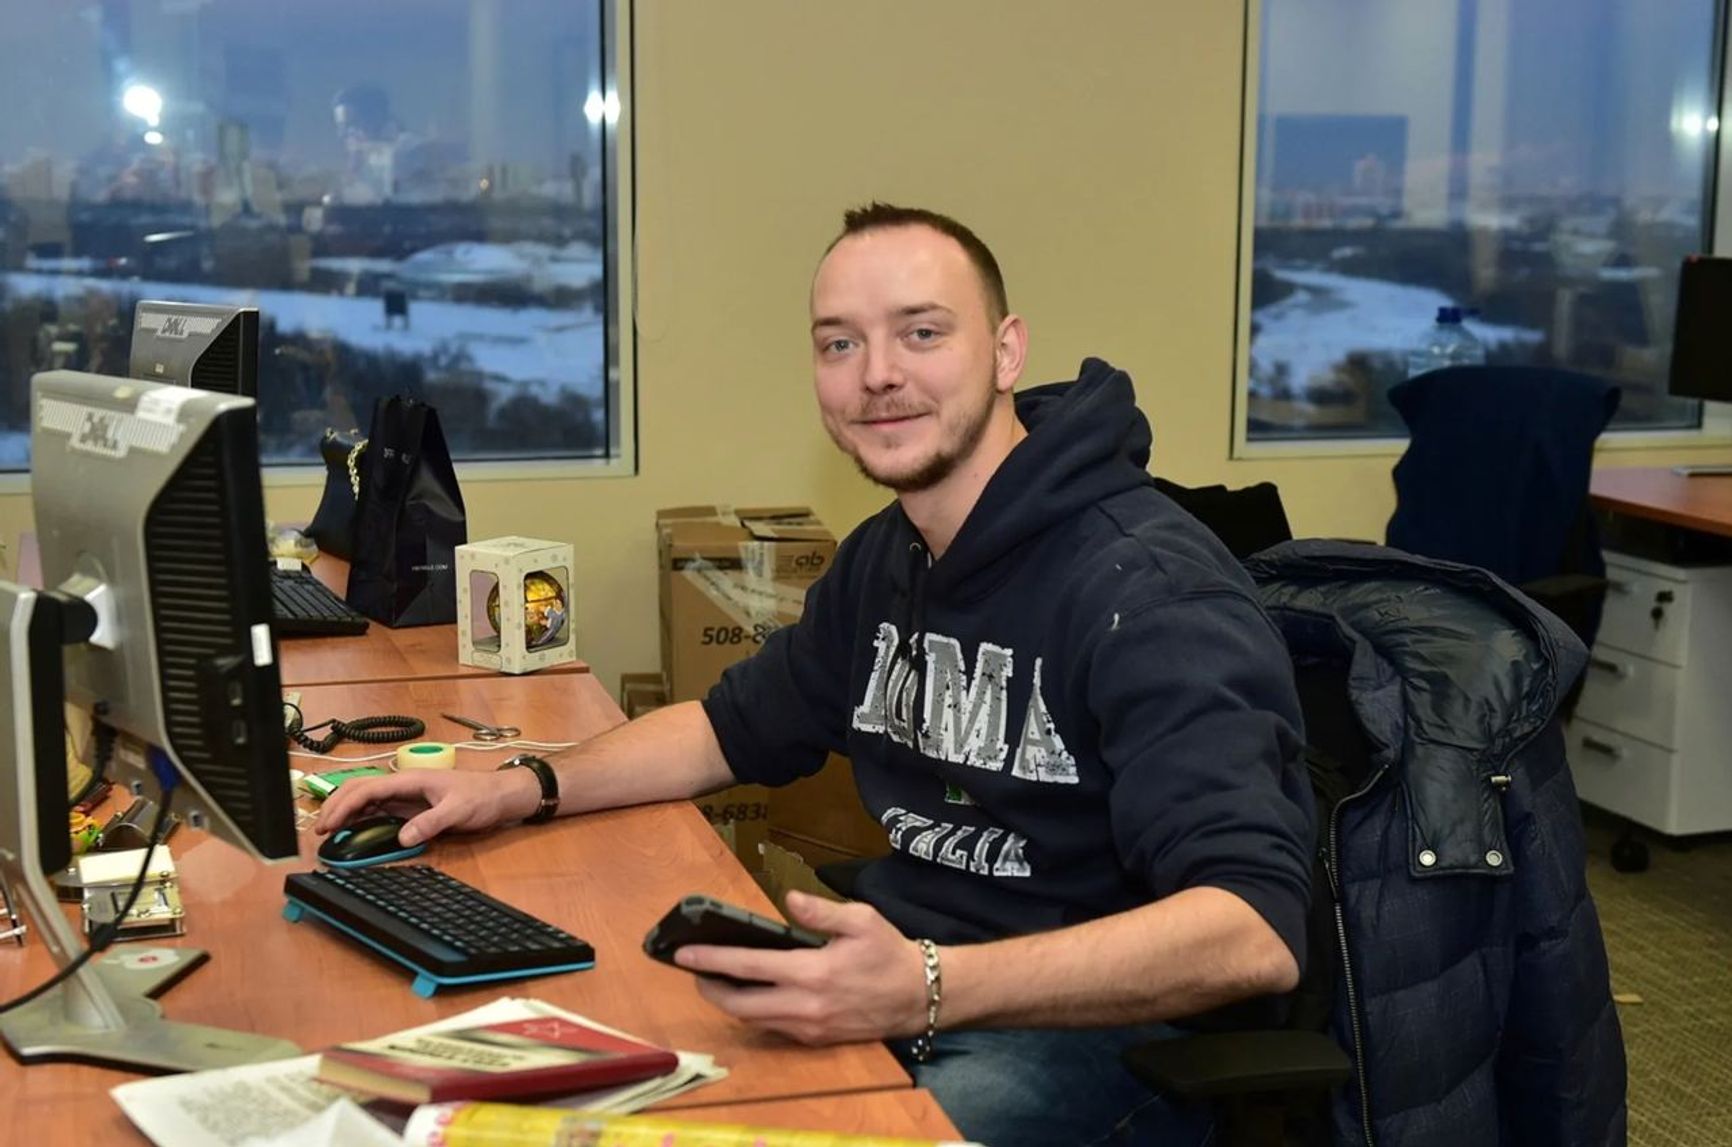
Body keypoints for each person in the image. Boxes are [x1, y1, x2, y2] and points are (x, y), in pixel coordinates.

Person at [317, 203, 1315, 1146]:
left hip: (1095, 1038)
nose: (878, 374)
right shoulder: (889, 555)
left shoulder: (1150, 592)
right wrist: (519, 785)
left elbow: (1252, 931)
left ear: (1007, 350)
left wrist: (926, 984)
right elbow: (729, 727)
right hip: (903, 987)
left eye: (922, 333)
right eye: (840, 343)